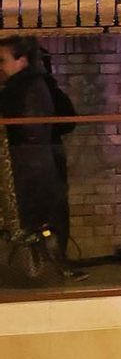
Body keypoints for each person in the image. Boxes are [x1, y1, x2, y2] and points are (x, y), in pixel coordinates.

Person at [0, 36, 71, 252]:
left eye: (2, 60)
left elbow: (29, 132)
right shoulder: (29, 85)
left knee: (33, 230)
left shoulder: (22, 88)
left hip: (28, 171)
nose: (0, 67)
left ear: (21, 60)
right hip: (37, 169)